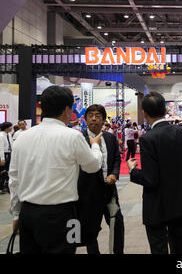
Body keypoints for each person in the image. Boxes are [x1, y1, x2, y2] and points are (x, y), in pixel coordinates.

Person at [8, 86, 103, 254]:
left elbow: (13, 179)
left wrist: (16, 214)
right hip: (62, 214)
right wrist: (95, 146)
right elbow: (93, 166)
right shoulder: (72, 136)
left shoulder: (21, 138)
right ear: (67, 110)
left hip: (28, 213)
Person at [128, 92, 182, 254]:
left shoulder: (148, 138)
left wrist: (133, 170)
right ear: (165, 110)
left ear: (144, 113)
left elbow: (151, 179)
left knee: (159, 248)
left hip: (157, 205)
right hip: (181, 201)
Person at [77, 104, 125, 254]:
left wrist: (115, 174)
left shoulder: (110, 138)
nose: (94, 119)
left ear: (104, 120)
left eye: (98, 116)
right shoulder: (79, 139)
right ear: (85, 119)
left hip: (109, 190)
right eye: (90, 115)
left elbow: (117, 159)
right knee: (91, 230)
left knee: (118, 224)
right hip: (88, 193)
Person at [0, 122, 13, 193]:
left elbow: (12, 145)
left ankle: (6, 186)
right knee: (3, 171)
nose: (12, 128)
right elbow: (1, 148)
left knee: (8, 171)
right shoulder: (1, 135)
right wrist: (2, 159)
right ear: (7, 127)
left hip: (9, 154)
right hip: (4, 154)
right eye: (11, 127)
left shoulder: (9, 135)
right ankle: (1, 187)